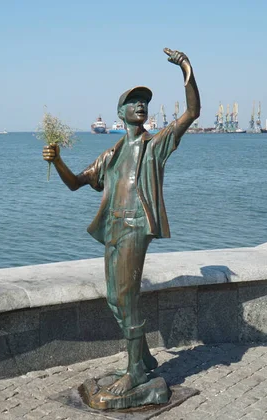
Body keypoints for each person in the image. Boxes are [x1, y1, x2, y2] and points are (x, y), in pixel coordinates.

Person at [42, 48, 200, 396]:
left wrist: (187, 69)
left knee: (126, 297)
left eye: (144, 101)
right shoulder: (111, 155)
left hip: (134, 226)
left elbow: (192, 112)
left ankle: (136, 374)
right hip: (112, 226)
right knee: (114, 298)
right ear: (120, 112)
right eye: (133, 102)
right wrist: (57, 160)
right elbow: (75, 183)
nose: (140, 105)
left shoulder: (155, 144)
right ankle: (141, 360)